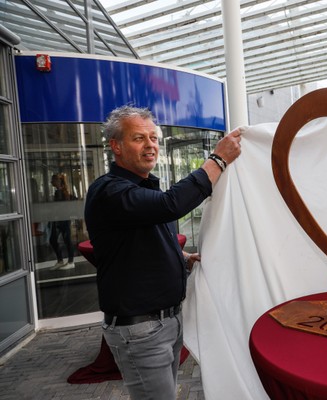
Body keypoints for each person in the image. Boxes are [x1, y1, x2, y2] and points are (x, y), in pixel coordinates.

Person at [84, 105, 241, 400]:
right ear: (116, 146)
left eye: (154, 138)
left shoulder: (142, 188)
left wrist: (182, 259)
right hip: (140, 329)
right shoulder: (110, 191)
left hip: (164, 322)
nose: (150, 146)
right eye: (139, 138)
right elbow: (171, 205)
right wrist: (217, 160)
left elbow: (140, 239)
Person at [49, 173, 75, 270]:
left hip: (62, 220)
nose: (51, 182)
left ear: (58, 181)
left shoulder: (61, 192)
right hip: (60, 219)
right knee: (55, 240)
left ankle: (70, 262)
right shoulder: (61, 192)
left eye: (53, 180)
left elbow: (59, 207)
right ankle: (61, 261)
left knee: (66, 240)